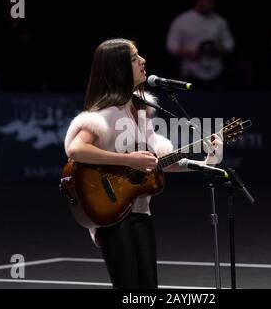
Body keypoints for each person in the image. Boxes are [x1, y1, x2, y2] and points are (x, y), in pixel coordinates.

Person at [64, 38, 222, 289]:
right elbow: (76, 148)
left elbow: (156, 163)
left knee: (148, 287)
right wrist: (127, 159)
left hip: (140, 212)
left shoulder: (140, 110)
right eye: (135, 58)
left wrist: (204, 161)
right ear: (119, 68)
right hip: (113, 214)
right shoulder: (104, 114)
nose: (143, 61)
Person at [166, 0, 234, 89]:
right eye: (209, 1)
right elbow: (171, 46)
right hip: (191, 73)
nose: (212, 4)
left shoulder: (219, 21)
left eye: (213, 2)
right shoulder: (182, 20)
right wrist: (190, 53)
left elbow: (229, 44)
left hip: (216, 72)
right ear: (199, 1)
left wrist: (217, 49)